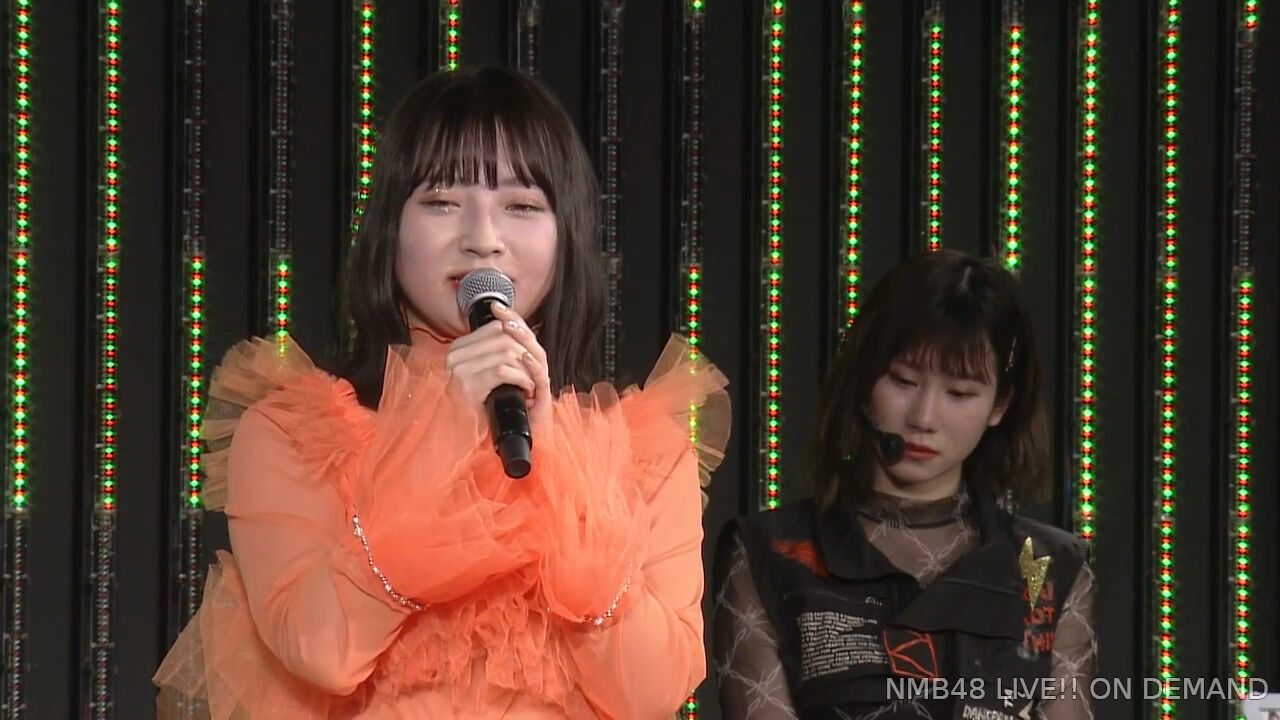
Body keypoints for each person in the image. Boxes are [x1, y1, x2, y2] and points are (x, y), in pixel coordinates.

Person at [154, 66, 730, 719]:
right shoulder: (294, 434)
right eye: (441, 202)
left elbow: (650, 693)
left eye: (521, 206)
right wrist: (440, 441)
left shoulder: (644, 456)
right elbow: (320, 652)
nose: (482, 238)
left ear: (566, 236)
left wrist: (558, 469)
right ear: (390, 230)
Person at [713, 250, 1094, 719]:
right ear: (864, 378)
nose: (924, 418)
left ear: (1000, 406)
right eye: (903, 381)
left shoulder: (1049, 568)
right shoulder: (768, 554)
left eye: (960, 393)